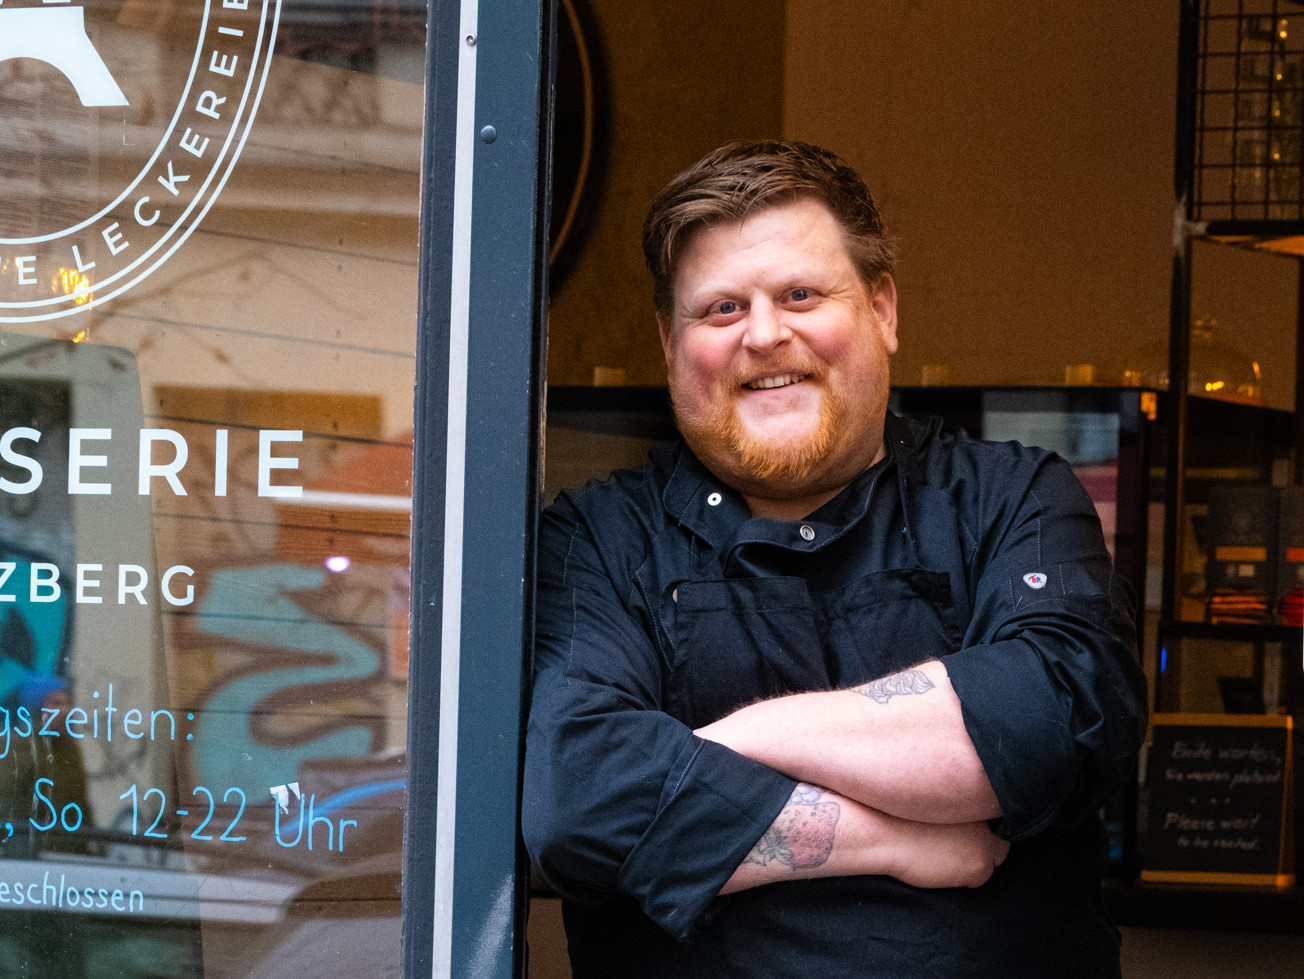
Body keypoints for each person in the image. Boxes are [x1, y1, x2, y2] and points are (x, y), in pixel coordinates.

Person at [522, 140, 1147, 977]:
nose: (766, 334)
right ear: (671, 343)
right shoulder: (594, 539)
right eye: (721, 310)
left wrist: (736, 739)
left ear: (883, 309)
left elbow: (1053, 718)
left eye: (801, 294)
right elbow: (581, 797)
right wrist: (893, 838)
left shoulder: (1012, 496)